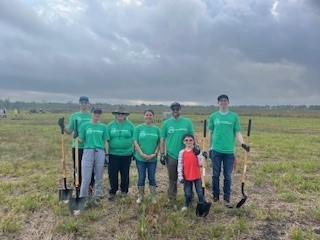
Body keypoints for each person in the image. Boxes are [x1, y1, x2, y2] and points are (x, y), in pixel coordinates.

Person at [208, 94, 250, 207]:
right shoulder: (213, 116)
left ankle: (227, 198)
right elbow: (211, 133)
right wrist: (209, 148)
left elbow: (237, 132)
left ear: (228, 102)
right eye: (221, 101)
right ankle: (215, 197)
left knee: (228, 175)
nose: (223, 102)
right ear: (218, 103)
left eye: (225, 101)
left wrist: (243, 144)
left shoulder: (234, 116)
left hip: (229, 151)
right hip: (216, 150)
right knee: (215, 174)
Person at [58, 96, 95, 194]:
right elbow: (69, 131)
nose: (83, 104)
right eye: (82, 102)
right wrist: (62, 126)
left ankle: (90, 186)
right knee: (77, 167)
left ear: (88, 104)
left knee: (90, 167)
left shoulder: (91, 115)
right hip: (77, 146)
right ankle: (78, 186)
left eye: (85, 102)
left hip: (89, 146)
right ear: (79, 104)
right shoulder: (74, 116)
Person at [160, 102, 196, 202]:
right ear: (171, 110)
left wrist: (196, 147)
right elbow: (162, 139)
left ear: (180, 110)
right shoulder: (166, 123)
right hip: (171, 155)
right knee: (172, 179)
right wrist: (162, 154)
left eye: (177, 109)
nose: (175, 110)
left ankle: (189, 198)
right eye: (173, 109)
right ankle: (171, 198)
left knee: (188, 178)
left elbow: (193, 135)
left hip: (186, 154)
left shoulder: (187, 122)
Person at [78, 106, 109, 204]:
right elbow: (81, 140)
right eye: (95, 112)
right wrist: (75, 137)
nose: (97, 114)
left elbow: (106, 141)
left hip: (100, 152)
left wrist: (107, 154)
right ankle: (83, 198)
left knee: (99, 176)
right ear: (91, 113)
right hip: (88, 151)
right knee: (86, 178)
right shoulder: (84, 126)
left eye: (99, 113)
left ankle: (97, 197)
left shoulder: (103, 127)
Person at [107, 106, 135, 201]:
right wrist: (106, 154)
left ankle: (124, 191)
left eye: (122, 114)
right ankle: (113, 191)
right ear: (115, 115)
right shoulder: (110, 125)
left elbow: (134, 139)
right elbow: (106, 140)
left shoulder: (130, 125)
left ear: (125, 115)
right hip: (113, 154)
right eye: (118, 114)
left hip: (126, 154)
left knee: (125, 173)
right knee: (112, 174)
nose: (120, 115)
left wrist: (134, 152)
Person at [133, 109, 160, 204]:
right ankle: (140, 196)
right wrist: (141, 153)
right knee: (141, 177)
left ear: (153, 117)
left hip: (153, 159)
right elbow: (135, 141)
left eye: (150, 115)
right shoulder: (138, 128)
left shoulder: (156, 129)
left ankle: (153, 197)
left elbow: (159, 143)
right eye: (147, 115)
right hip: (140, 158)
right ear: (143, 116)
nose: (148, 117)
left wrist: (155, 153)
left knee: (152, 177)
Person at [177, 134, 204, 211]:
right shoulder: (182, 152)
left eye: (190, 140)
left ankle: (201, 203)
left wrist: (200, 155)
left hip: (197, 176)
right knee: (188, 193)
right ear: (183, 142)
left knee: (200, 192)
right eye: (186, 140)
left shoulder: (197, 151)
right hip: (187, 177)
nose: (188, 142)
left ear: (193, 141)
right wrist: (180, 176)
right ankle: (187, 204)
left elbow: (201, 163)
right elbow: (180, 165)